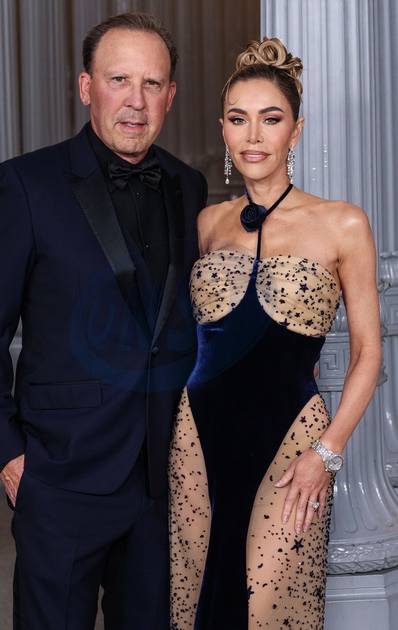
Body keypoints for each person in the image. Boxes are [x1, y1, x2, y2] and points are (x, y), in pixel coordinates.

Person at [0, 12, 207, 630]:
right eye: (119, 79)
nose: (136, 100)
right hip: (59, 472)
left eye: (152, 83)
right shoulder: (24, 184)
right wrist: (8, 456)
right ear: (86, 87)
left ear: (171, 95)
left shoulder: (190, 186)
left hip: (162, 477)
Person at [168, 37, 382, 629]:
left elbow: (368, 353)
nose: (253, 136)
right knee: (200, 602)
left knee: (268, 610)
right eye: (238, 119)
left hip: (292, 444)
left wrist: (327, 453)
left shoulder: (342, 223)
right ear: (223, 129)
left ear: (296, 129)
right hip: (198, 438)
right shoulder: (208, 223)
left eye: (271, 118)